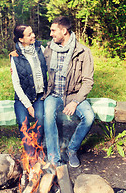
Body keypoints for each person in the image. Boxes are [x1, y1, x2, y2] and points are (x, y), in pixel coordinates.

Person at [42, 16, 95, 167]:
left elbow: (88, 81)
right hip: (53, 94)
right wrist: (17, 56)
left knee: (89, 117)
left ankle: (72, 150)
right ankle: (54, 158)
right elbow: (34, 62)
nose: (51, 34)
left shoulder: (83, 52)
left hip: (74, 95)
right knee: (48, 115)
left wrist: (75, 102)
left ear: (64, 31)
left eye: (53, 31)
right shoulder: (49, 49)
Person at [10, 25, 48, 158]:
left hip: (39, 95)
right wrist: (28, 105)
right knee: (23, 122)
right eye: (29, 34)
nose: (33, 36)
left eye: (32, 33)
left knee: (40, 119)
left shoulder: (40, 49)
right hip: (23, 97)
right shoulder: (15, 57)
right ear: (21, 39)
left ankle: (38, 148)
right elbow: (16, 84)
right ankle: (30, 155)